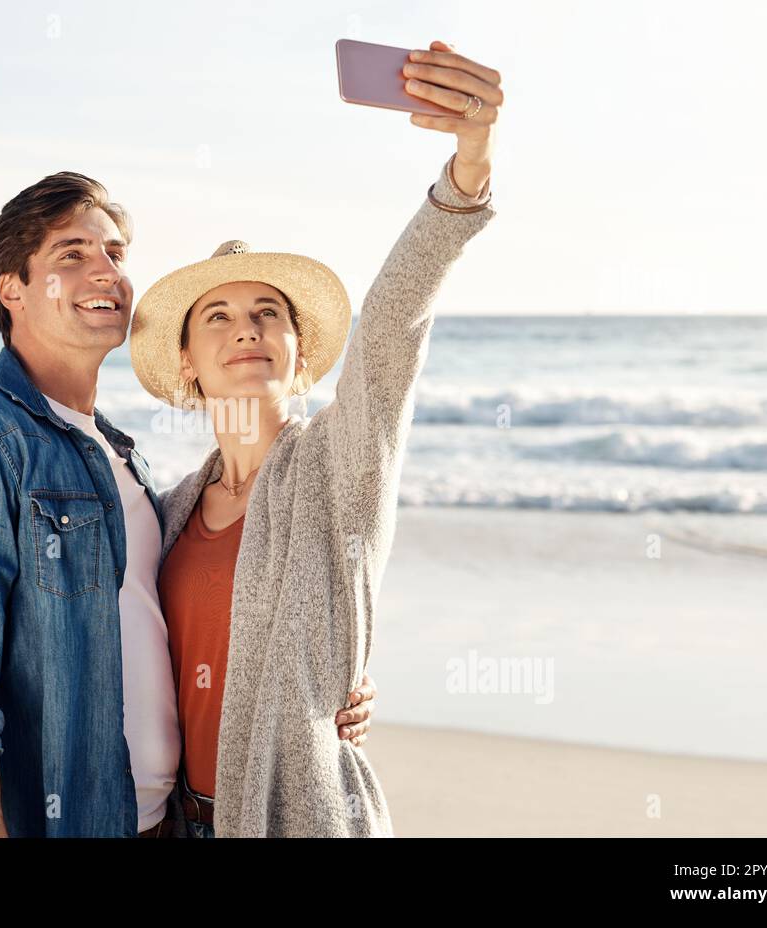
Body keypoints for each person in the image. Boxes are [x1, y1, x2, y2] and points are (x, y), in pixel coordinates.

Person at [0, 151, 375, 838]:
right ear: (12, 290)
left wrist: (324, 690)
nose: (105, 272)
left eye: (114, 252)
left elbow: (186, 625)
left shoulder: (129, 464)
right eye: (72, 253)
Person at [130, 40, 502, 837]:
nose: (247, 331)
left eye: (269, 313)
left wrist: (465, 174)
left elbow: (393, 330)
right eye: (218, 318)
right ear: (189, 363)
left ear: (300, 352)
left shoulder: (341, 467)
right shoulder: (163, 514)